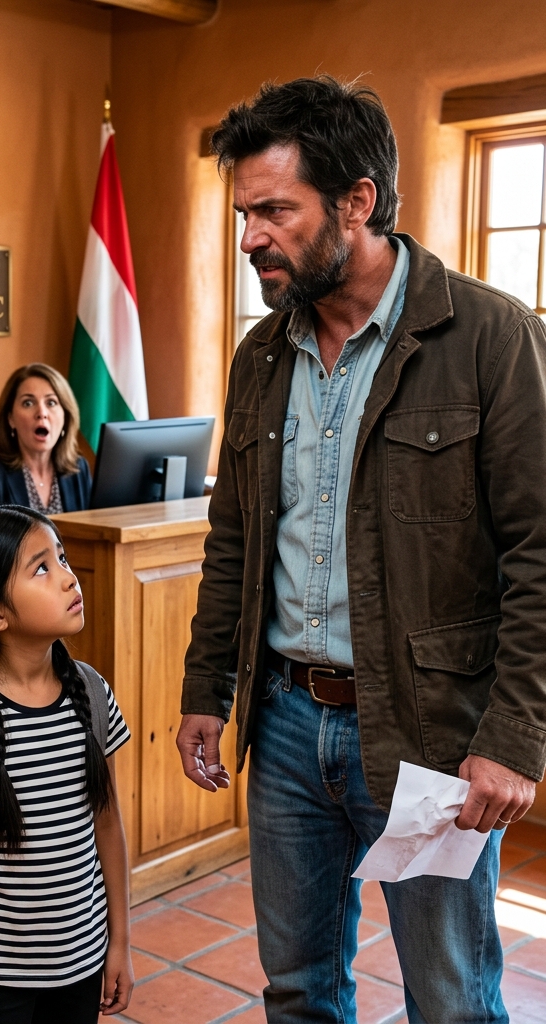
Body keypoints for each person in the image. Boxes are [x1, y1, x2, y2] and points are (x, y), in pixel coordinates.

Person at [175, 76, 544, 1022]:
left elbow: (540, 555)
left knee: (452, 1002)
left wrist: (512, 740)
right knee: (298, 992)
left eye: (274, 211)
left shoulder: (492, 338)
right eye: (244, 213)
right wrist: (206, 688)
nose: (250, 236)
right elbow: (234, 540)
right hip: (284, 725)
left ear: (357, 202)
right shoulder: (261, 356)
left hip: (430, 738)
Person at [0, 506, 133, 1023]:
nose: (68, 578)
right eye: (41, 568)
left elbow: (107, 824)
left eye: (62, 558)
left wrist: (120, 943)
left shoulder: (91, 693)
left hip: (82, 960)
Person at [0, 363, 92, 517]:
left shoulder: (78, 469)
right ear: (11, 419)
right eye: (28, 403)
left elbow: (94, 528)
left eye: (51, 402)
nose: (42, 413)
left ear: (65, 417)